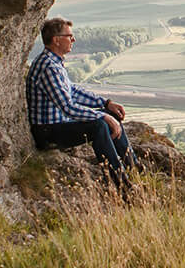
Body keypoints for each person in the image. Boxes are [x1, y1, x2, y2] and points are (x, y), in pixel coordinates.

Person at [25, 17, 135, 184]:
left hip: (58, 124)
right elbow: (67, 107)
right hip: (47, 131)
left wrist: (106, 104)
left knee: (109, 115)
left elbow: (74, 92)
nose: (73, 39)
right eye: (69, 36)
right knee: (98, 126)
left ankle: (133, 166)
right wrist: (103, 117)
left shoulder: (55, 63)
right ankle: (121, 183)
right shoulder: (48, 67)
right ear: (56, 40)